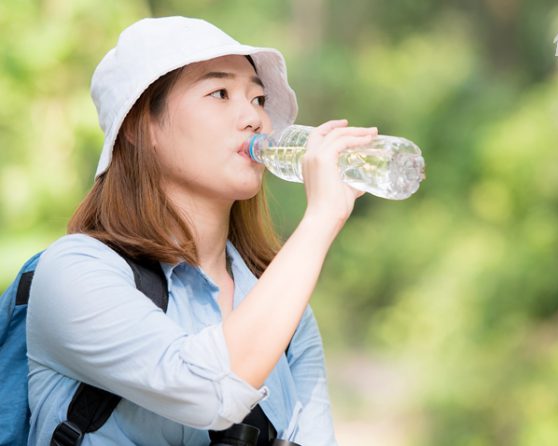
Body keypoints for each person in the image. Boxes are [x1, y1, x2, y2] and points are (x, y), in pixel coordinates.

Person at [26, 16, 377, 446]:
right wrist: (320, 219)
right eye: (220, 93)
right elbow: (208, 393)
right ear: (139, 126)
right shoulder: (74, 273)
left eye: (259, 97)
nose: (254, 118)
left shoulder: (284, 309)